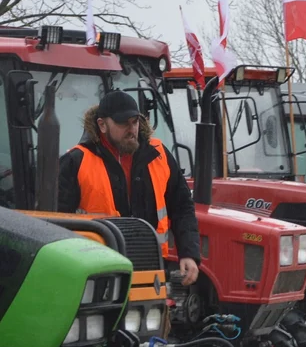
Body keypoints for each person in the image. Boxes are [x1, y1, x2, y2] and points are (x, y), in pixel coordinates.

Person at [58, 91, 201, 286]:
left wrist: (189, 253)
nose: (131, 129)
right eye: (123, 123)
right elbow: (57, 224)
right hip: (98, 274)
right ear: (102, 125)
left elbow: (183, 206)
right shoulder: (76, 161)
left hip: (151, 269)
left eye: (135, 121)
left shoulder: (159, 154)